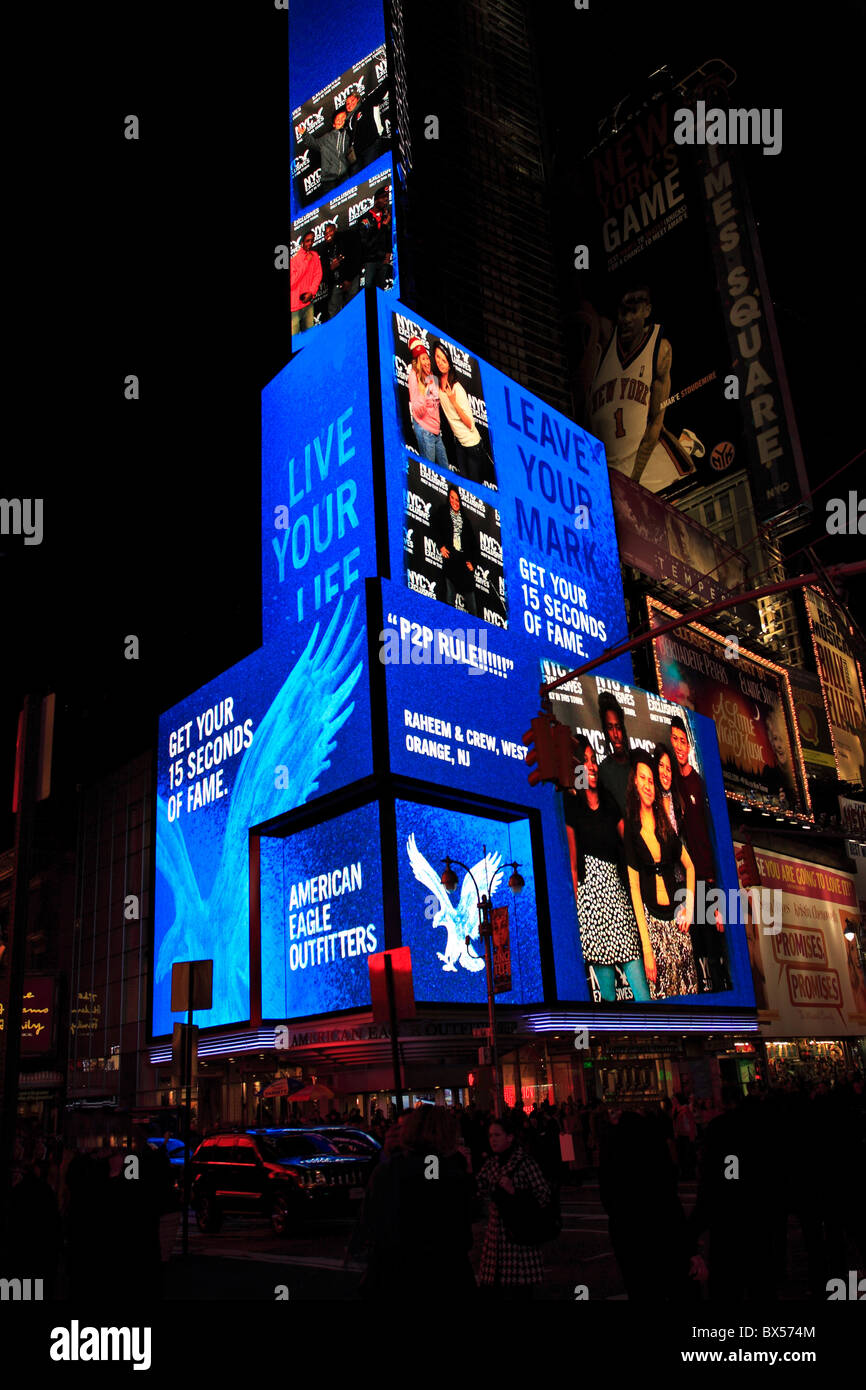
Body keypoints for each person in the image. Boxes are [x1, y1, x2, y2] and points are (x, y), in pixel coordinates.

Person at [564, 734, 650, 1003]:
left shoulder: (609, 802)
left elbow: (630, 846)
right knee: (609, 999)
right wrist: (576, 914)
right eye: (585, 761)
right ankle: (612, 1042)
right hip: (590, 900)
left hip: (616, 894)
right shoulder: (572, 804)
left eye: (593, 760)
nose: (591, 766)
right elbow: (573, 862)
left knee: (643, 994)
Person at [358, 1107, 476, 1300]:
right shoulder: (440, 1169)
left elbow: (369, 1221)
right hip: (438, 1275)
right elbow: (460, 1233)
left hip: (391, 1273)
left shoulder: (389, 1168)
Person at [588, 286, 694, 491]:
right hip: (608, 465)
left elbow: (655, 422)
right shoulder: (603, 344)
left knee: (687, 491)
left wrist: (634, 480)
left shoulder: (659, 349)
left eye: (633, 311)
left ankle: (687, 443)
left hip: (644, 458)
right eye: (622, 312)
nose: (626, 319)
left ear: (646, 311)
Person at [623, 751, 699, 1000]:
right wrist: (646, 949)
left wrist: (690, 907)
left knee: (690, 999)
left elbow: (690, 866)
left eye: (651, 780)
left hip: (678, 922)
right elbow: (634, 889)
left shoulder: (665, 824)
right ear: (635, 783)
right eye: (642, 779)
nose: (648, 785)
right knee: (664, 1005)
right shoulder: (631, 830)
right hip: (653, 926)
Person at [669, 715, 728, 992]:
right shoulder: (671, 785)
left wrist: (717, 900)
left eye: (682, 740)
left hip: (706, 879)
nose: (678, 746)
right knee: (696, 950)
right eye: (674, 740)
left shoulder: (699, 783)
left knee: (715, 950)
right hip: (683, 881)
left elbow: (711, 839)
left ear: (690, 745)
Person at [475, 1115, 552, 1299]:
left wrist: (514, 1192)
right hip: (496, 1239)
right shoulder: (491, 1163)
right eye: (491, 1135)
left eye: (497, 1135)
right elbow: (477, 1189)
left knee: (518, 1291)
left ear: (509, 1137)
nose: (493, 1139)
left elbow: (543, 1196)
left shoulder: (525, 1163)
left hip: (519, 1236)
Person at [433, 341, 486, 482]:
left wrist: (453, 401)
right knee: (463, 484)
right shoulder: (437, 381)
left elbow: (470, 424)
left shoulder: (457, 389)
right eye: (437, 357)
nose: (440, 362)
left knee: (474, 488)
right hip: (459, 443)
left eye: (444, 360)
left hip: (471, 445)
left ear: (449, 363)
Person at [431, 485, 480, 616]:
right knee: (449, 601)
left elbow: (475, 547)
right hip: (450, 562)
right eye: (452, 498)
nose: (454, 502)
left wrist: (473, 564)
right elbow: (434, 525)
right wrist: (440, 545)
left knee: (473, 608)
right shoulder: (443, 512)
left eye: (457, 499)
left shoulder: (466, 521)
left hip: (464, 565)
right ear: (448, 498)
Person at [406, 336, 449, 467]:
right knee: (430, 472)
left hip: (436, 431)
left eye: (427, 358)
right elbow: (418, 411)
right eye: (423, 358)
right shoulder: (414, 377)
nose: (427, 361)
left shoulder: (431, 377)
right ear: (418, 361)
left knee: (445, 470)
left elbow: (435, 404)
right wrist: (424, 390)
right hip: (425, 430)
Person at [597, 691, 631, 816]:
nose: (615, 735)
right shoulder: (603, 770)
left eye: (618, 727)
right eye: (610, 728)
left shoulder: (636, 763)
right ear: (606, 731)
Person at [320, 221, 362, 320]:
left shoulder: (346, 237)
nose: (328, 235)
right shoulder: (325, 249)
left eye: (330, 231)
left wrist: (348, 279)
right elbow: (324, 271)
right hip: (336, 281)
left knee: (351, 305)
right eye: (325, 234)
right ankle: (337, 330)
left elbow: (355, 258)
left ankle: (352, 327)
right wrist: (331, 267)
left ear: (335, 229)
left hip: (351, 277)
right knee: (333, 307)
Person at [357, 183, 393, 291]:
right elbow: (366, 243)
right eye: (383, 197)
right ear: (376, 200)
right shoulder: (365, 219)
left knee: (383, 290)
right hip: (370, 261)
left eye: (387, 197)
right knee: (368, 290)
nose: (386, 200)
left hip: (383, 261)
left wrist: (388, 252)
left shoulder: (387, 216)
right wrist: (383, 226)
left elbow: (389, 237)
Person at [345, 85, 388, 170]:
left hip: (371, 146)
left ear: (358, 99)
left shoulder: (366, 104)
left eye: (352, 100)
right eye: (347, 104)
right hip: (358, 156)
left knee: (374, 172)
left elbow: (381, 91)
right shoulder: (348, 121)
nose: (350, 104)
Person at [311, 109, 351, 196]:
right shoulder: (327, 137)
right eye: (338, 119)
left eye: (343, 118)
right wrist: (304, 134)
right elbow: (314, 143)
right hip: (329, 180)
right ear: (333, 124)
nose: (340, 120)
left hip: (344, 176)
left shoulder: (347, 136)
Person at [290, 230, 323, 336]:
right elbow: (292, 282)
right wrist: (306, 262)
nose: (310, 243)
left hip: (308, 303)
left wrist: (311, 292)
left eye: (312, 240)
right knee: (295, 339)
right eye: (307, 240)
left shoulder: (315, 255)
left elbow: (318, 275)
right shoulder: (294, 261)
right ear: (302, 242)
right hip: (294, 307)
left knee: (310, 335)